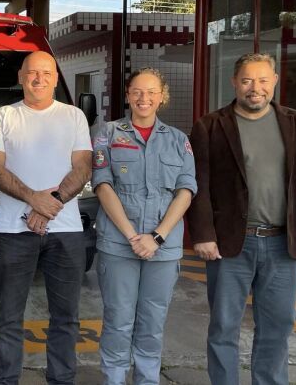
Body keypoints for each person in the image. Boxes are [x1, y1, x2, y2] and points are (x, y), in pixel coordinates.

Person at [188, 52, 296, 385]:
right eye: (247, 80)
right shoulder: (210, 126)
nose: (255, 88)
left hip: (284, 244)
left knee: (278, 327)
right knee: (224, 326)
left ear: (275, 81)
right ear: (234, 82)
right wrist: (203, 234)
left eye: (263, 80)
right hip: (228, 246)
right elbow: (198, 186)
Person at [0, 51, 93, 385]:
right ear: (21, 77)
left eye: (46, 73)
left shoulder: (73, 116)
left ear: (55, 78)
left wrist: (52, 203)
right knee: (9, 317)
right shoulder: (4, 115)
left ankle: (61, 380)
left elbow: (83, 167)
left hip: (67, 231)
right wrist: (33, 199)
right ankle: (7, 380)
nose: (39, 79)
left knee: (66, 317)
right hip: (13, 230)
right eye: (32, 72)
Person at [91, 68, 196, 385]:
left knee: (152, 320)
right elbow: (102, 185)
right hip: (118, 244)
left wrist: (157, 237)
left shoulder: (179, 140)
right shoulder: (106, 133)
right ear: (127, 94)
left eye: (151, 92)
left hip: (162, 249)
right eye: (137, 91)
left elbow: (186, 191)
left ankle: (147, 379)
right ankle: (114, 378)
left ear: (162, 96)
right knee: (118, 319)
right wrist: (132, 236)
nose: (144, 98)